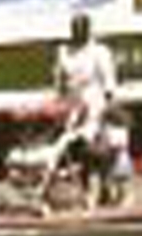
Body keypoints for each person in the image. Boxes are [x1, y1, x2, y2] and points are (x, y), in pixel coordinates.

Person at [53, 12, 131, 202]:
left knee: (100, 148)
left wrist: (110, 107)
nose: (78, 32)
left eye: (82, 28)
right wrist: (61, 102)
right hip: (72, 106)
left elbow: (109, 82)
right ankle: (84, 188)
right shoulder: (64, 52)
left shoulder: (100, 52)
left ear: (88, 30)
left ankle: (106, 187)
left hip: (95, 104)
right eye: (75, 28)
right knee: (72, 149)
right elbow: (60, 80)